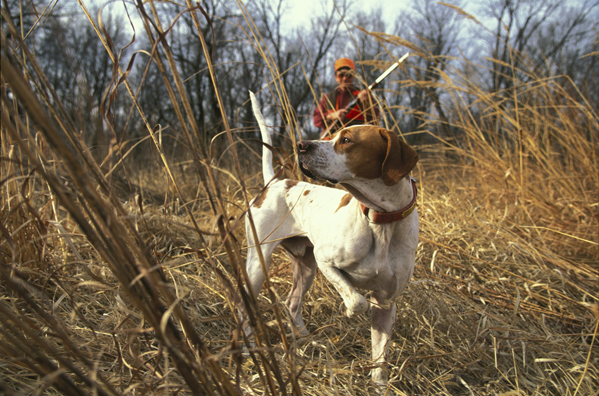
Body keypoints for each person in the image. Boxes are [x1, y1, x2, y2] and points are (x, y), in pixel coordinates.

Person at [313, 57, 379, 139]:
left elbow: (375, 119)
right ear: (336, 77)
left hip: (355, 143)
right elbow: (316, 119)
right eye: (341, 75)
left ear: (353, 76)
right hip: (330, 144)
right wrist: (332, 115)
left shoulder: (363, 95)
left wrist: (366, 103)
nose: (345, 78)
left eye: (348, 75)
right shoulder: (328, 98)